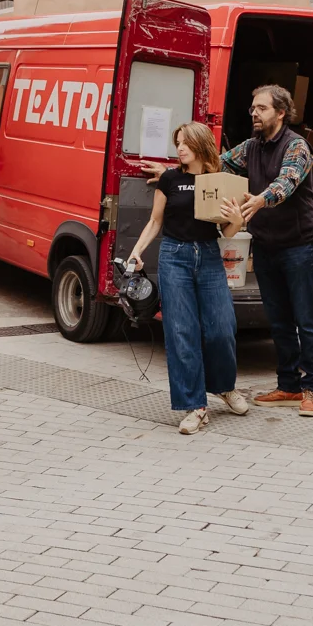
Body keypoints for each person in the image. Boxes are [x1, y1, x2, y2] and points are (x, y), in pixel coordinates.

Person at [129, 122, 250, 435]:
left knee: (222, 328)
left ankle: (224, 386)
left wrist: (237, 221)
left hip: (208, 254)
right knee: (181, 331)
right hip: (174, 256)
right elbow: (155, 221)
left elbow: (227, 231)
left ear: (200, 144)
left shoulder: (217, 179)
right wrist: (137, 251)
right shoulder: (170, 179)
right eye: (178, 143)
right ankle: (195, 406)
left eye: (185, 143)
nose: (180, 148)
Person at [223, 85, 313, 417]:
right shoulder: (251, 146)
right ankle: (288, 386)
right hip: (266, 246)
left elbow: (288, 181)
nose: (254, 113)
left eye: (262, 108)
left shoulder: (297, 146)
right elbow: (219, 163)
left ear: (281, 113)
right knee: (279, 321)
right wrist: (177, 174)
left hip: (299, 247)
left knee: (305, 319)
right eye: (253, 108)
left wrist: (260, 199)